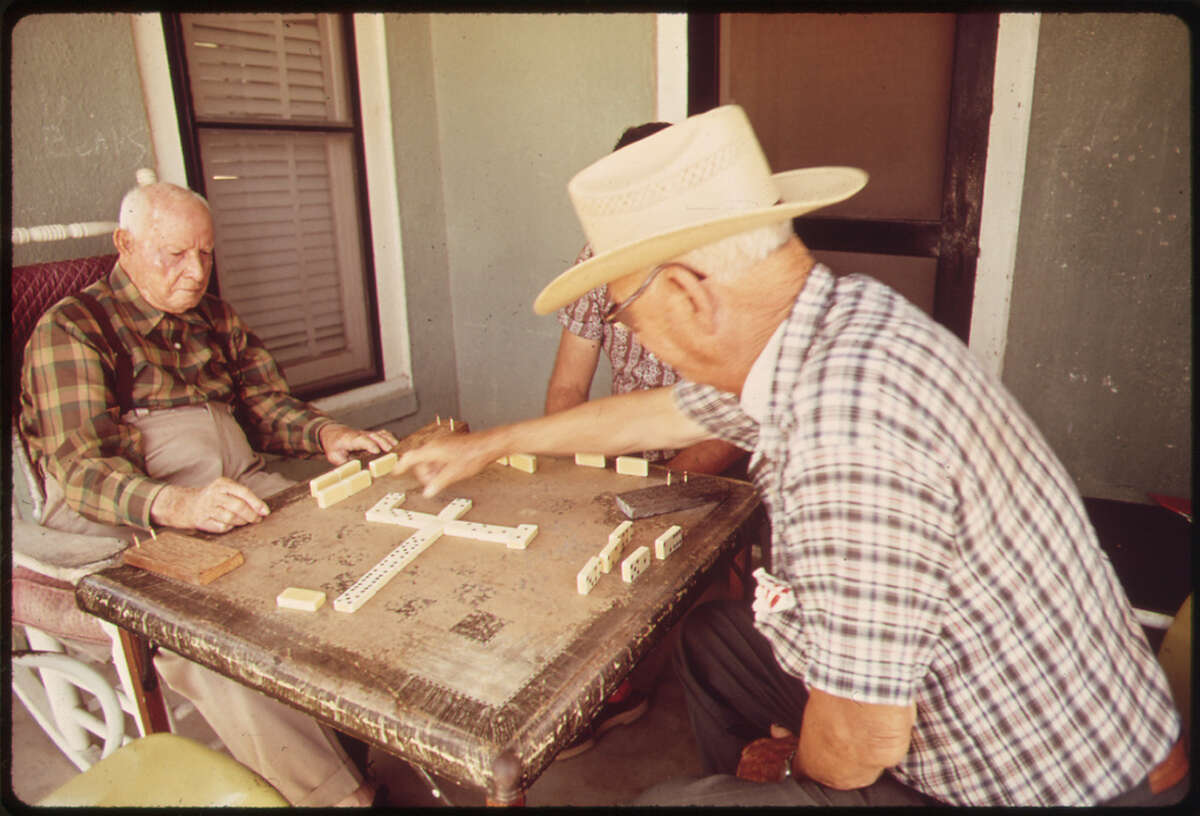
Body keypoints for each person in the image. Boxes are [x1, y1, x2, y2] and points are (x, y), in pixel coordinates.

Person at [395, 105, 1187, 806]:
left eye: (627, 315)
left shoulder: (843, 435)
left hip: (1055, 782)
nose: (628, 334)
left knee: (679, 804)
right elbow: (659, 409)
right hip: (998, 696)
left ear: (689, 291)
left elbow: (863, 743)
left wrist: (791, 771)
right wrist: (493, 442)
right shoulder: (831, 323)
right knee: (715, 645)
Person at [19, 182, 398, 807]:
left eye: (205, 254)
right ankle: (337, 799)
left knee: (356, 546)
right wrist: (178, 506)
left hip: (233, 487)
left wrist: (326, 433)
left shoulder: (214, 319)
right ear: (125, 246)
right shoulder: (72, 328)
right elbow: (81, 469)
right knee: (215, 639)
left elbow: (264, 406)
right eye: (175, 255)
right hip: (128, 516)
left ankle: (350, 737)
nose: (195, 272)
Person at [546, 122, 749, 760]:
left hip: (718, 445)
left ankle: (628, 685)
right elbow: (566, 393)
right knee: (571, 533)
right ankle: (598, 686)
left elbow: (732, 422)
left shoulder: (731, 264)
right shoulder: (596, 260)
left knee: (656, 550)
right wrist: (580, 477)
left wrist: (653, 496)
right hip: (630, 440)